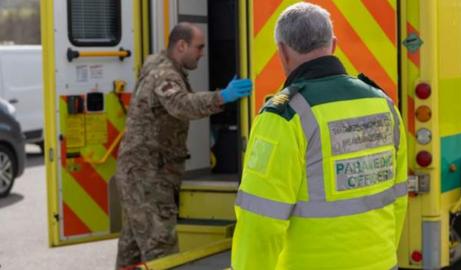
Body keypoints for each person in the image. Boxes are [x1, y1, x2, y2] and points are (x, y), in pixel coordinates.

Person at [231, 2, 407, 270]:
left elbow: (260, 221)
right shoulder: (384, 104)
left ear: (282, 52)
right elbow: (397, 199)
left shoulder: (285, 116)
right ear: (333, 44)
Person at [114, 22, 252, 269]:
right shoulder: (164, 75)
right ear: (181, 46)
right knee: (161, 248)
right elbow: (181, 105)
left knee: (132, 248)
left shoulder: (161, 69)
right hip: (147, 177)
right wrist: (222, 96)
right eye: (199, 47)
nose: (202, 53)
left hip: (142, 173)